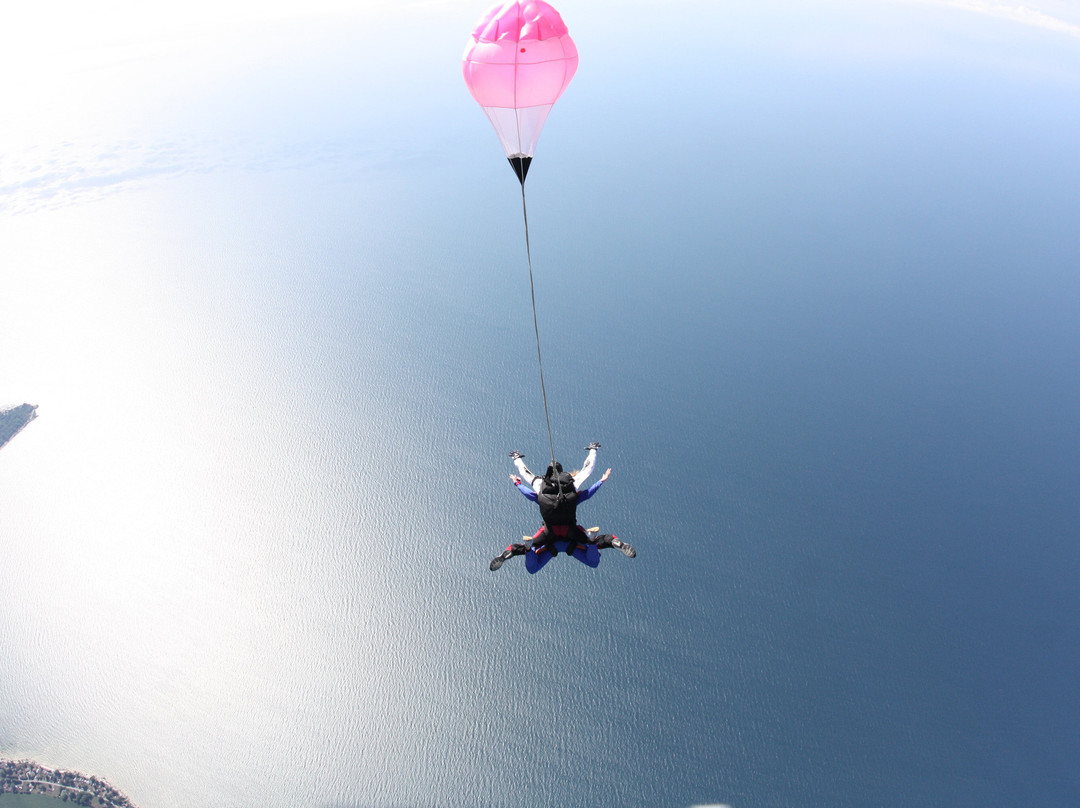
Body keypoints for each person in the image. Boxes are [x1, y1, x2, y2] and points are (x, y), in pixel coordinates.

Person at [489, 447, 635, 571]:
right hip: (571, 533)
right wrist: (594, 454)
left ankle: (525, 548)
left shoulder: (540, 485)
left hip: (549, 535)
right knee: (594, 560)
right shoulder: (572, 485)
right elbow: (588, 472)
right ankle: (600, 540)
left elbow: (525, 476)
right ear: (563, 472)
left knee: (532, 567)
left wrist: (517, 470)